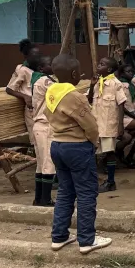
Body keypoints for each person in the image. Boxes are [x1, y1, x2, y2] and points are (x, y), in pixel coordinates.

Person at [46, 54, 112, 255]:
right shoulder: (74, 96)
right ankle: (86, 240)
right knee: (86, 192)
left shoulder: (51, 91)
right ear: (74, 74)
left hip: (57, 144)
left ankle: (59, 236)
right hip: (76, 146)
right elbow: (90, 125)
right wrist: (93, 143)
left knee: (66, 191)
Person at [88, 57, 135, 193]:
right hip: (95, 124)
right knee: (91, 152)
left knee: (109, 152)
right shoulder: (96, 83)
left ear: (109, 69)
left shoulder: (116, 84)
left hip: (108, 124)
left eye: (102, 64)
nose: (98, 65)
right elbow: (89, 100)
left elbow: (120, 105)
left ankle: (111, 181)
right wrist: (91, 85)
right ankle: (93, 181)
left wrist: (120, 126)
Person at [29, 55, 56, 206]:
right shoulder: (45, 81)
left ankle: (38, 198)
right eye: (51, 64)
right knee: (48, 163)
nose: (54, 66)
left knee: (41, 164)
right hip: (45, 126)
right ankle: (46, 199)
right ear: (41, 68)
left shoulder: (39, 79)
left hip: (39, 126)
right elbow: (61, 94)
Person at [5, 38, 40, 145]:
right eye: (34, 55)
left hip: (42, 106)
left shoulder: (41, 69)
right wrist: (25, 97)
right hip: (31, 108)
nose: (38, 57)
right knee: (36, 138)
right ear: (26, 57)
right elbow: (9, 89)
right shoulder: (22, 70)